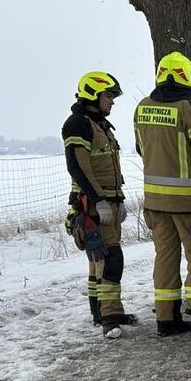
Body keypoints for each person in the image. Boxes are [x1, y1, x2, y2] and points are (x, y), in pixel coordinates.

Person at [133, 52, 191, 338]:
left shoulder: (142, 108)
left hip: (155, 203)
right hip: (189, 203)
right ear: (187, 77)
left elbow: (141, 149)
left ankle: (166, 319)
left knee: (165, 258)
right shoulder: (187, 109)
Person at [62, 71, 134, 339]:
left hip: (110, 202)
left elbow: (109, 167)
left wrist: (119, 200)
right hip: (94, 205)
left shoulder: (100, 125)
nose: (112, 102)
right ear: (94, 95)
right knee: (109, 258)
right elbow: (77, 167)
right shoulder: (78, 124)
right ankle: (110, 317)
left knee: (97, 262)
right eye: (109, 96)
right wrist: (98, 200)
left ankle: (101, 312)